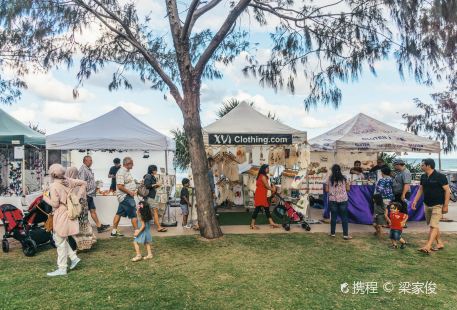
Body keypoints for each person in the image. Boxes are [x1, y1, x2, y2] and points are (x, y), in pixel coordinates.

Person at [43, 164, 86, 277]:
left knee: (59, 240)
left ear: (52, 174)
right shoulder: (68, 180)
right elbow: (83, 183)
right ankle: (74, 258)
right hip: (69, 211)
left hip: (61, 213)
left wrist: (45, 197)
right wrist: (77, 196)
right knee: (61, 238)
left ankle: (62, 268)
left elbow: (55, 204)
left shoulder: (54, 186)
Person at [412, 158, 450, 254]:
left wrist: (445, 205)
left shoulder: (440, 177)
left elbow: (447, 191)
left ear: (428, 166)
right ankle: (439, 243)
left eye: (422, 165)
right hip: (427, 204)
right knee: (433, 225)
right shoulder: (423, 177)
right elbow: (421, 189)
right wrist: (415, 201)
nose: (421, 166)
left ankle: (427, 246)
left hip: (438, 204)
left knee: (433, 225)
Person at [65, 167, 96, 251]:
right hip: (84, 206)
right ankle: (87, 243)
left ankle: (79, 245)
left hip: (76, 207)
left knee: (76, 225)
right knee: (85, 224)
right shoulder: (79, 182)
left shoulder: (71, 183)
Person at [78, 155, 110, 233]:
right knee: (85, 213)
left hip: (90, 194)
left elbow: (89, 181)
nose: (91, 162)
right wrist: (84, 194)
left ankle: (99, 226)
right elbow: (82, 182)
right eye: (90, 160)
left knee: (93, 210)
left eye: (91, 160)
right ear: (85, 161)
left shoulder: (88, 169)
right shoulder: (83, 170)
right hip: (86, 195)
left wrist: (96, 186)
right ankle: (84, 229)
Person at [111, 157, 139, 237]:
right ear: (127, 163)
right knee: (133, 213)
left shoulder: (127, 171)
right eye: (132, 163)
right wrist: (130, 192)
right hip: (126, 196)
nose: (133, 165)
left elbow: (127, 183)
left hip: (125, 196)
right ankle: (137, 232)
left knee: (119, 213)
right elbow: (119, 186)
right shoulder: (121, 172)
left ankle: (113, 232)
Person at [250, 164, 280, 230]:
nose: (268, 169)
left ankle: (271, 223)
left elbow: (266, 185)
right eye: (267, 168)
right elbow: (267, 186)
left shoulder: (262, 176)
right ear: (264, 169)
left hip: (261, 194)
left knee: (266, 209)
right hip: (260, 194)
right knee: (257, 209)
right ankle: (252, 224)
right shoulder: (263, 176)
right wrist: (273, 189)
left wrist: (273, 188)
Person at [326, 164, 351, 240]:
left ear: (332, 171)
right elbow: (348, 189)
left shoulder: (329, 179)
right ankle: (345, 235)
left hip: (333, 200)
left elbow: (326, 190)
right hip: (343, 199)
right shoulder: (344, 178)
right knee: (344, 218)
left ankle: (333, 233)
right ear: (340, 170)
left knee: (333, 217)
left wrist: (332, 190)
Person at [144, 165, 167, 232]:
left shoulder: (151, 176)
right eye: (155, 170)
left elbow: (152, 187)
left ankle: (156, 226)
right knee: (155, 211)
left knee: (154, 211)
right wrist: (156, 184)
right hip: (150, 196)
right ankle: (159, 227)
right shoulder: (148, 176)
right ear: (152, 170)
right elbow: (147, 186)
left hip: (153, 196)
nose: (156, 171)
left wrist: (157, 185)